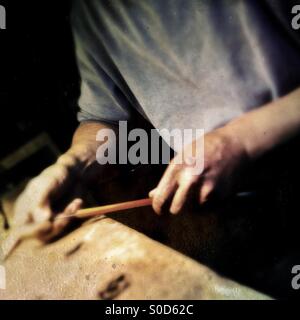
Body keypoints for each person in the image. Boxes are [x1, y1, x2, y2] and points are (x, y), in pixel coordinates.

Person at [13, 0, 300, 238]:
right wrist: (70, 167)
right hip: (232, 204)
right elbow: (103, 118)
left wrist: (239, 141)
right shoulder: (91, 12)